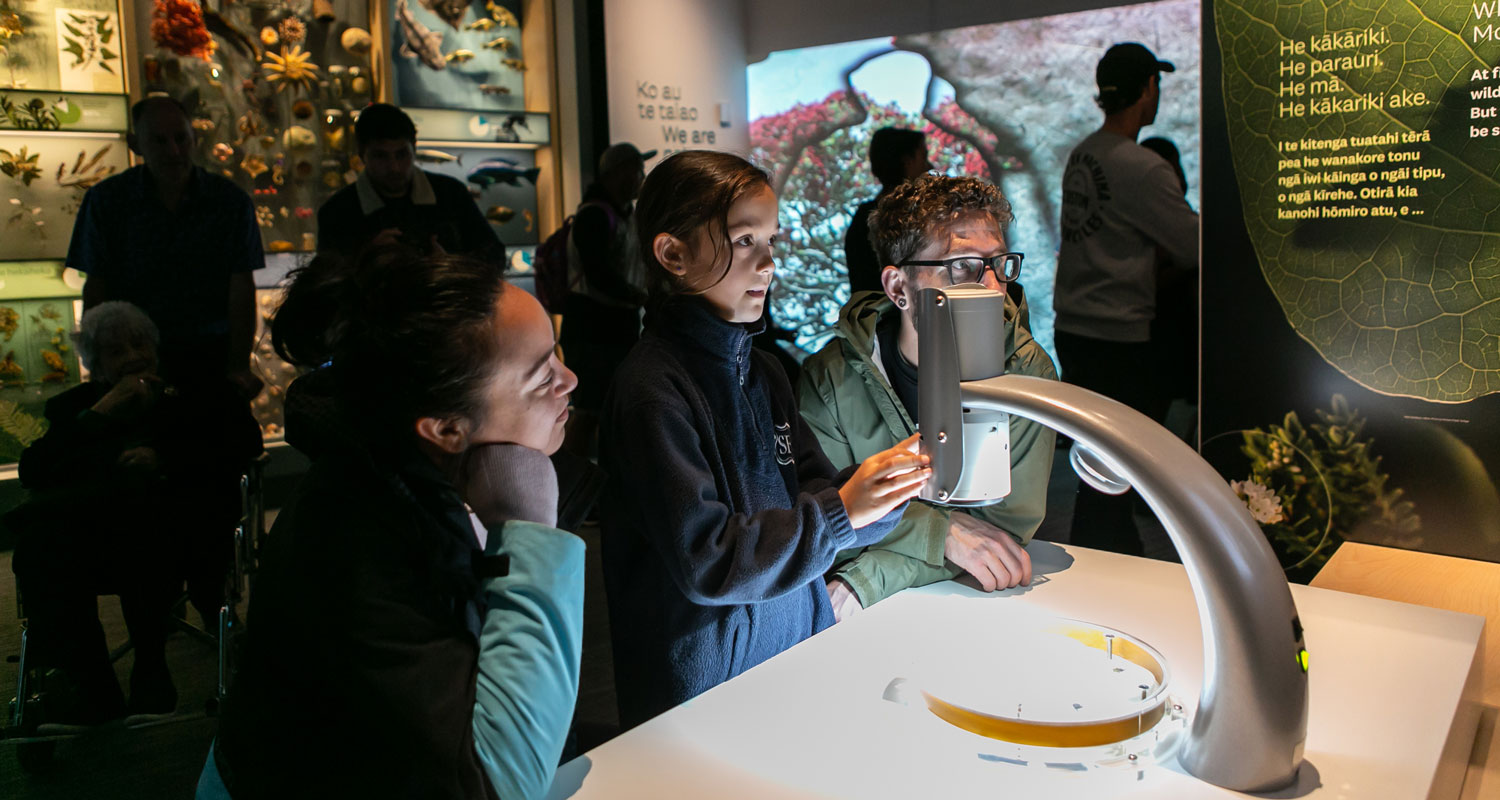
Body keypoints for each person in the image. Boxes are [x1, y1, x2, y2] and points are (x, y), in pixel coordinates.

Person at [200, 250, 584, 798]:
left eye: (558, 355)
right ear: (446, 428)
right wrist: (531, 534)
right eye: (542, 374)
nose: (570, 379)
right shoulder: (356, 547)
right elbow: (496, 781)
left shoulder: (395, 471)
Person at [600, 150, 931, 728]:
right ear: (672, 253)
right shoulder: (651, 392)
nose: (768, 262)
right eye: (745, 240)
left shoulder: (766, 370)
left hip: (796, 659)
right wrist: (842, 512)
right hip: (705, 698)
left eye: (772, 239)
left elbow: (819, 491)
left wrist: (887, 491)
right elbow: (707, 560)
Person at [800, 175, 1058, 620]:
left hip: (982, 608)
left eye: (998, 264)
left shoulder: (1027, 371)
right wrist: (947, 533)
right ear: (898, 288)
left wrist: (866, 582)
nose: (993, 288)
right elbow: (832, 522)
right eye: (963, 267)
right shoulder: (831, 379)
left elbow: (1003, 535)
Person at [8, 302, 261, 724]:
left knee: (139, 525)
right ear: (95, 363)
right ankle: (94, 688)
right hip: (97, 542)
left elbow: (243, 446)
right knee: (42, 549)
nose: (133, 356)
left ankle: (151, 667)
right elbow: (35, 468)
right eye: (115, 350)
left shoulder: (199, 394)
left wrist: (164, 460)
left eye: (139, 342)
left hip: (183, 534)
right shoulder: (77, 407)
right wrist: (103, 410)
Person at [1054, 42, 1199, 555]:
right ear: (1146, 91)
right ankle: (1103, 561)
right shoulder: (1142, 167)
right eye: (1155, 85)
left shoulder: (1084, 154)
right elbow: (1193, 246)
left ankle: (1112, 554)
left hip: (1075, 330)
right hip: (1119, 336)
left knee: (1097, 462)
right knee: (1116, 467)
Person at [68, 96, 263, 398]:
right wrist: (100, 370)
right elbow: (96, 287)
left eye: (181, 138)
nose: (173, 151)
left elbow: (241, 286)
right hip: (135, 360)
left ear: (194, 138)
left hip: (210, 358)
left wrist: (238, 366)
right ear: (135, 144)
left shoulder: (229, 202)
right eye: (159, 141)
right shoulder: (107, 201)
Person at [316, 103, 504, 265]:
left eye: (401, 154)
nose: (394, 168)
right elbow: (323, 287)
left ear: (414, 149)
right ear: (362, 156)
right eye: (381, 156)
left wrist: (448, 265)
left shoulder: (451, 193)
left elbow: (495, 256)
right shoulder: (337, 213)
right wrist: (368, 258)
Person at [558, 142, 653, 457]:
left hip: (616, 327)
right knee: (589, 411)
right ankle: (571, 485)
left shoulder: (625, 214)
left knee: (609, 408)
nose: (641, 176)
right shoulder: (595, 216)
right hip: (591, 329)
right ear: (615, 173)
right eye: (635, 169)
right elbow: (597, 273)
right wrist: (639, 295)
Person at [844, 127, 931, 296]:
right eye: (924, 158)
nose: (929, 167)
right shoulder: (910, 218)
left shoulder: (863, 218)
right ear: (908, 163)